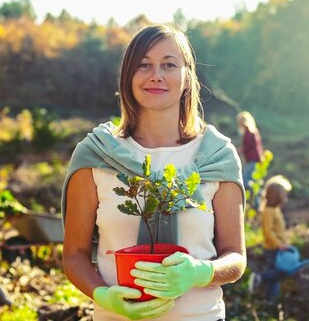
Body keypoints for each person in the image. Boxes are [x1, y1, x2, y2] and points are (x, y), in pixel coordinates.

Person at [61, 25, 246, 321]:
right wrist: (103, 295)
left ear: (187, 77)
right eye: (143, 64)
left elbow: (235, 258)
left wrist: (201, 272)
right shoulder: (96, 154)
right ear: (128, 76)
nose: (156, 74)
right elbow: (74, 256)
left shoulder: (217, 155)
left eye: (169, 65)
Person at [248, 175, 292, 300]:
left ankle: (271, 299)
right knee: (279, 272)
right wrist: (279, 244)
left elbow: (278, 230)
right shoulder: (268, 211)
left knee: (275, 276)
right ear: (276, 195)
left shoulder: (276, 210)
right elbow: (268, 232)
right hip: (273, 248)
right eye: (284, 194)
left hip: (279, 247)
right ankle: (259, 278)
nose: (285, 197)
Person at [237, 111, 264, 204]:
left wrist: (237, 151)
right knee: (252, 180)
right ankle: (256, 202)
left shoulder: (248, 131)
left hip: (253, 160)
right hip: (255, 159)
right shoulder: (253, 131)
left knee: (245, 181)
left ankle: (255, 201)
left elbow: (246, 146)